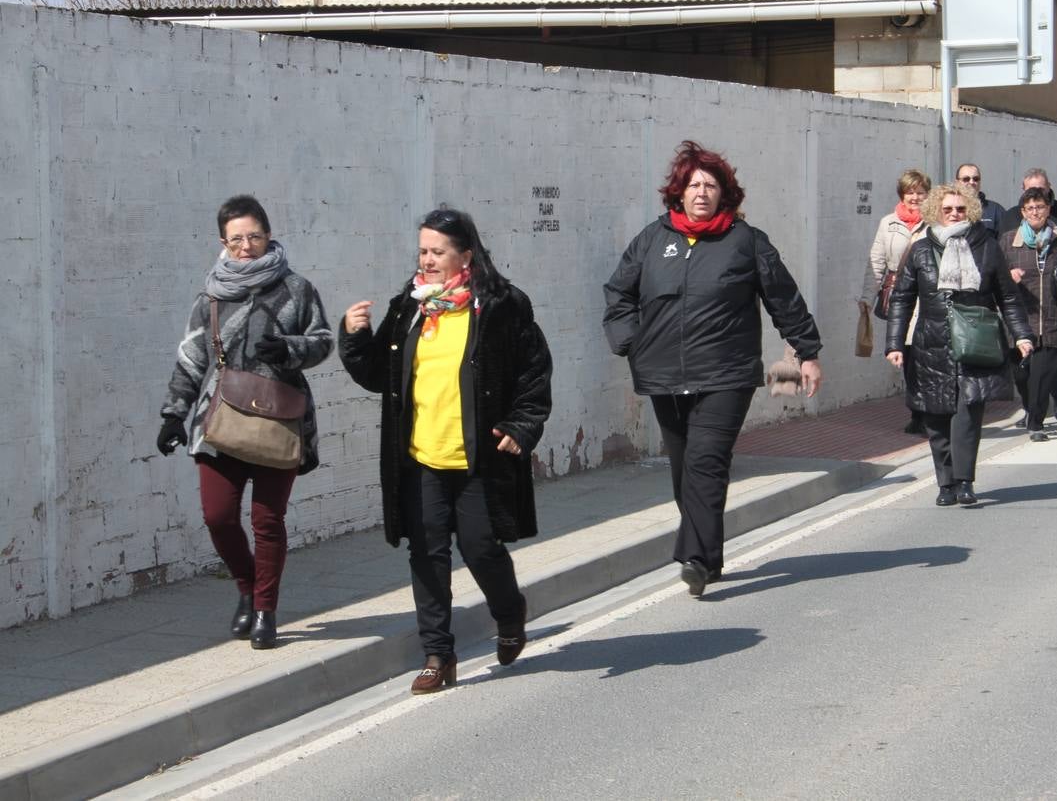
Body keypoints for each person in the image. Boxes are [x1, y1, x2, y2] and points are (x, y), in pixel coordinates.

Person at [339, 208, 552, 694]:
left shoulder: (502, 306)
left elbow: (533, 373)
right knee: (427, 554)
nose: (428, 260)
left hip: (478, 458)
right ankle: (438, 655)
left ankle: (509, 613)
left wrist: (522, 424)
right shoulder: (410, 306)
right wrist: (352, 337)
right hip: (419, 457)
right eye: (423, 251)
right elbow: (378, 375)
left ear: (466, 255)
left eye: (438, 252)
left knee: (480, 547)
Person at [603, 140, 823, 598]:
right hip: (664, 374)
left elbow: (784, 298)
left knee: (705, 463)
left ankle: (697, 559)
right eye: (693, 184)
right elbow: (619, 293)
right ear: (678, 192)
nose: (702, 192)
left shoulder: (746, 242)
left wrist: (806, 352)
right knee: (685, 471)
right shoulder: (652, 239)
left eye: (711, 185)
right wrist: (629, 341)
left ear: (726, 194)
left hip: (726, 374)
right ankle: (713, 553)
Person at [158, 194, 333, 650]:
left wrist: (292, 349)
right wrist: (174, 415)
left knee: (268, 521)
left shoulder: (297, 289)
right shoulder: (211, 296)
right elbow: (192, 357)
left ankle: (265, 611)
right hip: (221, 421)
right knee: (217, 517)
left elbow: (322, 340)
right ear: (223, 242)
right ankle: (246, 587)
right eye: (236, 239)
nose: (246, 246)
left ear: (268, 235)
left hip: (281, 418)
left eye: (254, 236)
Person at [885, 182, 1033, 506]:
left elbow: (1007, 297)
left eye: (961, 209)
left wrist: (1022, 334)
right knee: (935, 418)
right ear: (937, 210)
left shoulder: (988, 247)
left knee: (967, 414)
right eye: (948, 209)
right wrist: (895, 343)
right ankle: (945, 483)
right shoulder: (922, 250)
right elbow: (901, 299)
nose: (954, 214)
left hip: (975, 342)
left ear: (972, 210)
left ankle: (965, 480)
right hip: (931, 343)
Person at [998, 187, 1057, 441]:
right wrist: (1008, 277)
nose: (1035, 212)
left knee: (1041, 373)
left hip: (1055, 315)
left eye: (1040, 207)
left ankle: (1036, 423)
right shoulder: (1008, 241)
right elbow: (992, 274)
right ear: (1022, 212)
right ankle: (1033, 408)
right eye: (1030, 208)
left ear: (1048, 209)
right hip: (1020, 319)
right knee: (1021, 374)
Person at [863, 168, 930, 435]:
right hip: (900, 297)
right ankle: (917, 410)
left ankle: (928, 410)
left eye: (920, 192)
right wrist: (867, 297)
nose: (915, 197)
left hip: (927, 296)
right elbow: (876, 262)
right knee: (906, 354)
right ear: (902, 195)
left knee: (925, 353)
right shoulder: (888, 223)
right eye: (910, 192)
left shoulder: (935, 222)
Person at [955, 162, 1007, 234]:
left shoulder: (995, 210)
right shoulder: (949, 209)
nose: (971, 182)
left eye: (976, 179)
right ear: (957, 182)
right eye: (966, 179)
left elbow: (1003, 241)